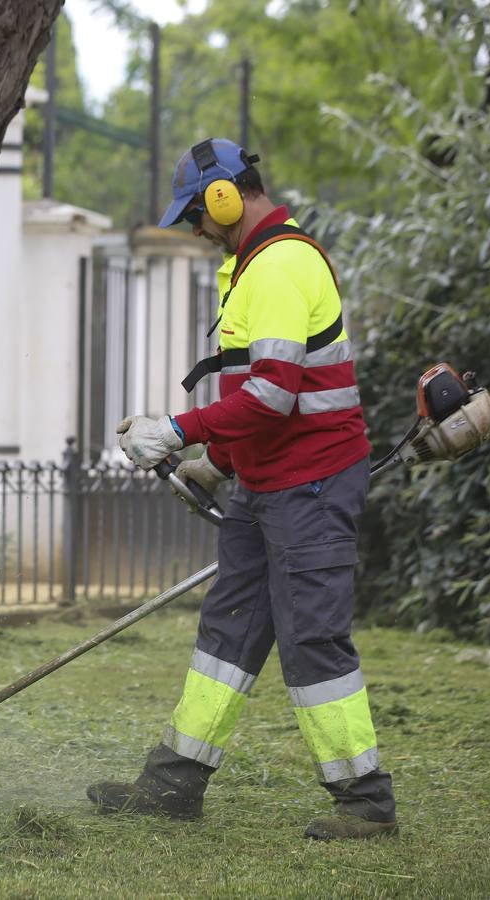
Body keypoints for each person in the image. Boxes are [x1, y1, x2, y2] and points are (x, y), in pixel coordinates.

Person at [86, 139, 397, 841]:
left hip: (311, 484)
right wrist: (219, 457)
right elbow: (252, 392)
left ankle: (366, 801)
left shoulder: (281, 266)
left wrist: (176, 429)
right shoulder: (248, 270)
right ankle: (173, 785)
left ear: (225, 196)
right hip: (267, 483)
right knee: (226, 635)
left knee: (312, 638)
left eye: (197, 211)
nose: (195, 226)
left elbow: (274, 395)